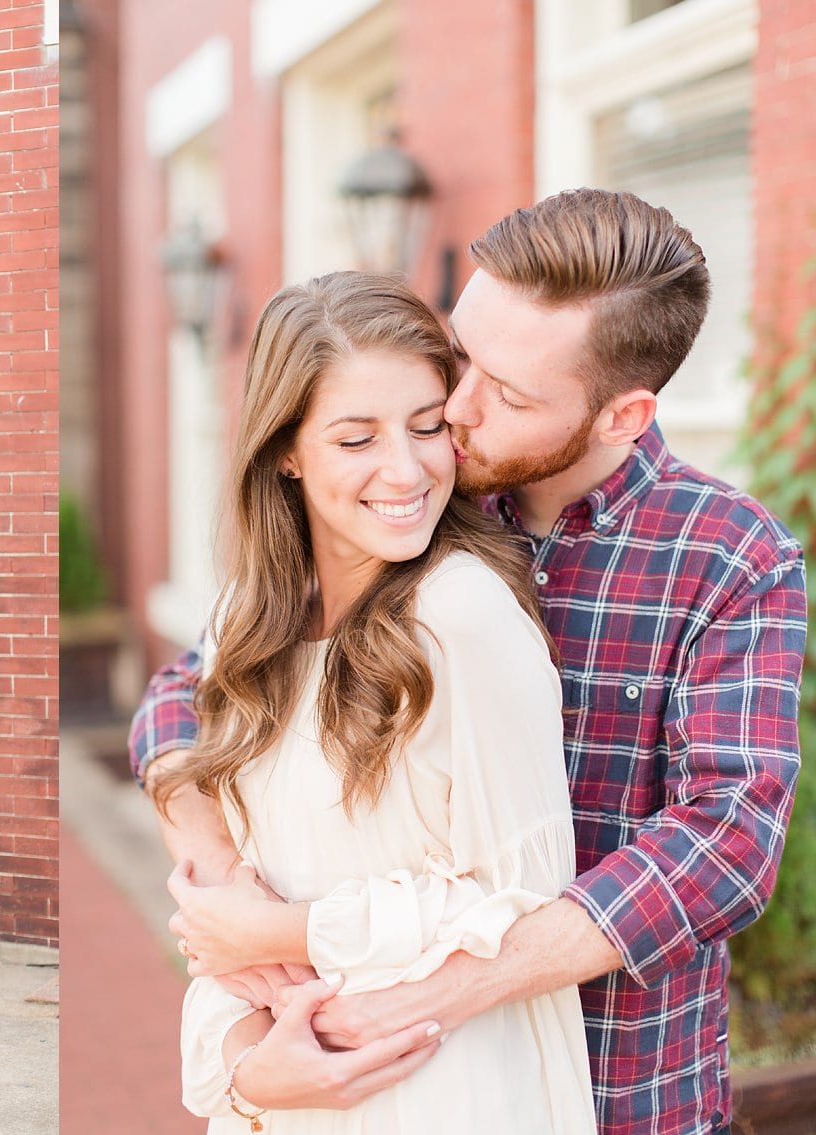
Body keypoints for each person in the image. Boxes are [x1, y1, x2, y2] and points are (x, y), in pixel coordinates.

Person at [131, 189, 806, 1135]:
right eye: (461, 356)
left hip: (621, 1088)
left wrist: (428, 994)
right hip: (385, 1083)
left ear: (623, 414)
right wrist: (217, 877)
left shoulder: (727, 554)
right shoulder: (416, 504)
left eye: (509, 393)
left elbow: (727, 842)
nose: (454, 408)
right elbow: (195, 683)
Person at [153, 271, 595, 1131]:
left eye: (427, 426)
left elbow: (528, 901)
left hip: (451, 1088)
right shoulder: (243, 621)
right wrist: (247, 1066)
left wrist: (283, 933)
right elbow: (220, 929)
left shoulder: (460, 614)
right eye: (356, 438)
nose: (407, 469)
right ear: (285, 449)